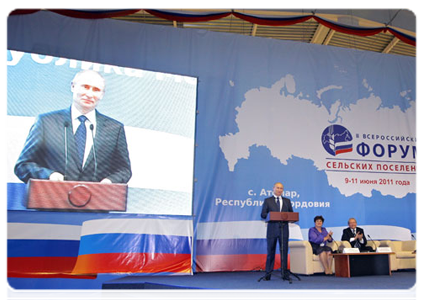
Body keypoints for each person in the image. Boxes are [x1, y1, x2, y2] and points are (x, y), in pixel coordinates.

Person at [14, 70, 132, 184]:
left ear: (102, 94)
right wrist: (49, 175)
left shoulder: (114, 129)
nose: (90, 94)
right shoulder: (46, 122)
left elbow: (124, 170)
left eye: (96, 90)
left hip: (96, 201)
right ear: (73, 87)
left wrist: (109, 181)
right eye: (85, 87)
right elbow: (23, 165)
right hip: (53, 199)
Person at [261, 182, 293, 281]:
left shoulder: (287, 201)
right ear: (273, 188)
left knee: (284, 252)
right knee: (271, 252)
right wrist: (270, 215)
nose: (279, 190)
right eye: (278, 188)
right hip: (272, 230)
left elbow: (291, 214)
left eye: (281, 188)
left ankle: (284, 274)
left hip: (284, 230)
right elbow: (263, 214)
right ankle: (268, 274)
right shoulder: (268, 201)